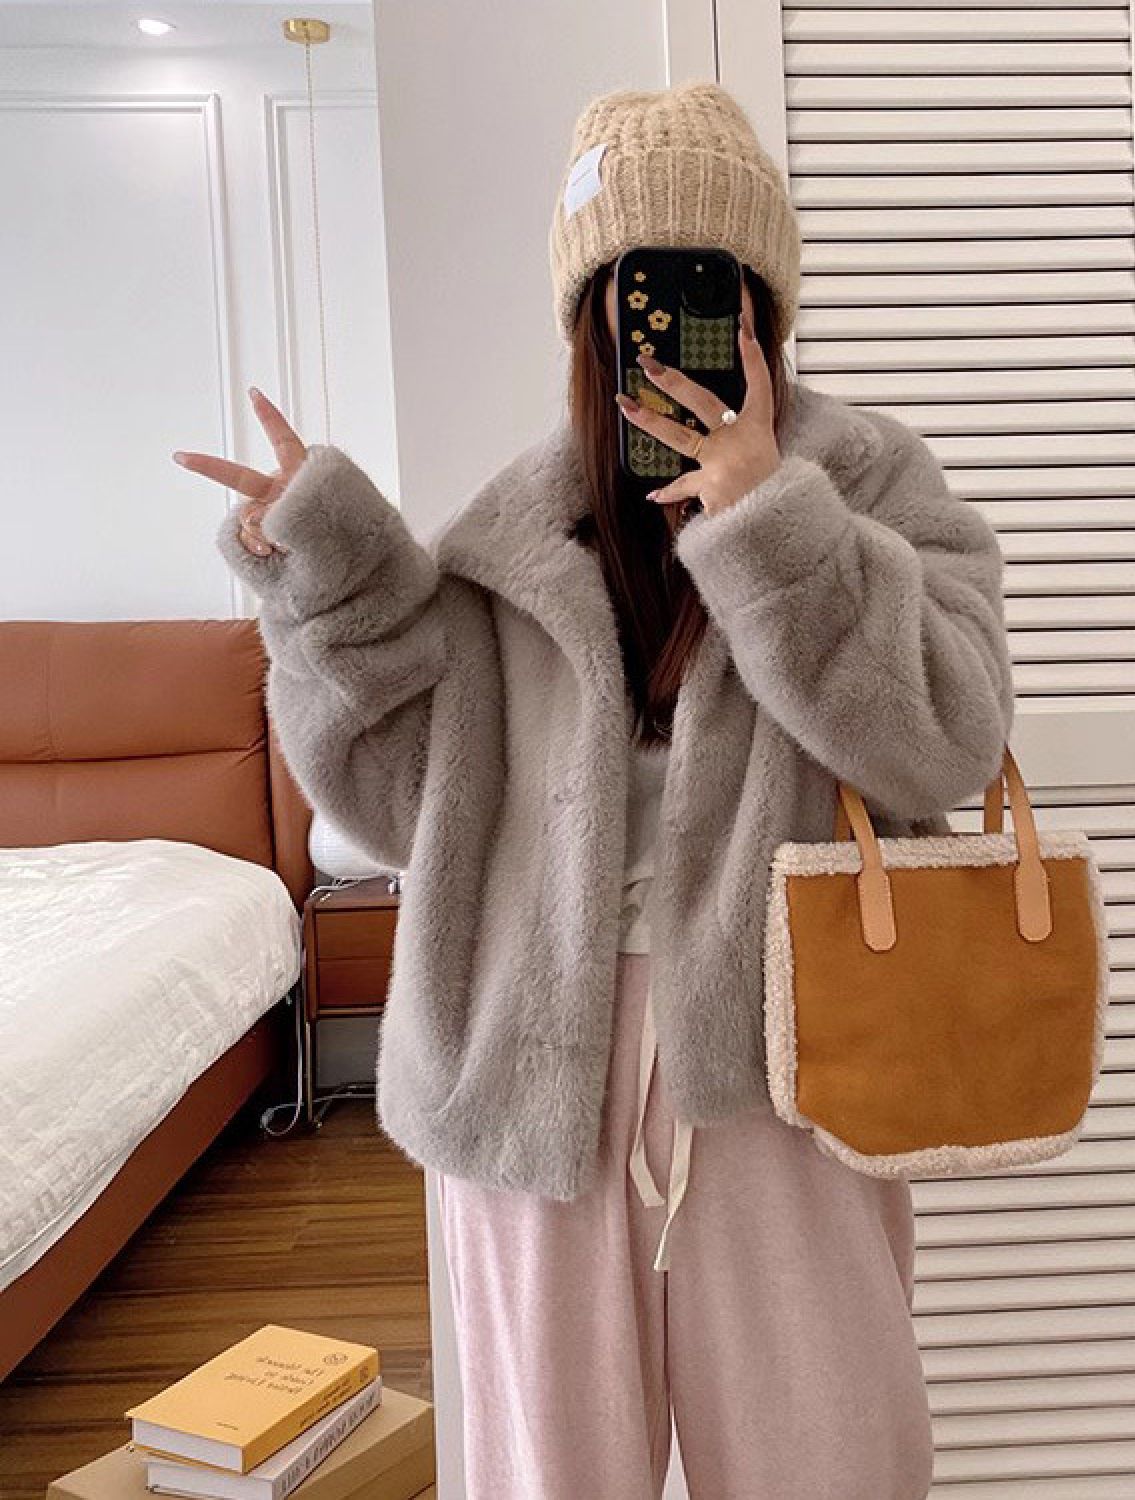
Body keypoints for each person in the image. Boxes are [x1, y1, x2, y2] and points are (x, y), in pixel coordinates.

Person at [176, 81, 1014, 1500]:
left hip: (794, 1053)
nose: (669, 326)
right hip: (529, 1063)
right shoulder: (510, 541)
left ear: (764, 308)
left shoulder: (871, 488)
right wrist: (332, 591)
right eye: (635, 289)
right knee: (547, 1473)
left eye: (710, 285)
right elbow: (393, 805)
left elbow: (946, 742)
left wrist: (771, 523)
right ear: (588, 319)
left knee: (830, 1461)